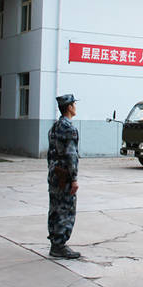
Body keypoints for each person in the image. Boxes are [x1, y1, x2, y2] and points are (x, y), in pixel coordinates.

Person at [47, 94, 81, 259]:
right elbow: (71, 155)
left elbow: (50, 154)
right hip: (65, 176)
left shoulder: (54, 127)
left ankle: (55, 242)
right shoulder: (69, 128)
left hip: (54, 174)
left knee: (54, 208)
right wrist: (73, 178)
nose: (75, 106)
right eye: (74, 104)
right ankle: (60, 245)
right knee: (66, 210)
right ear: (69, 107)